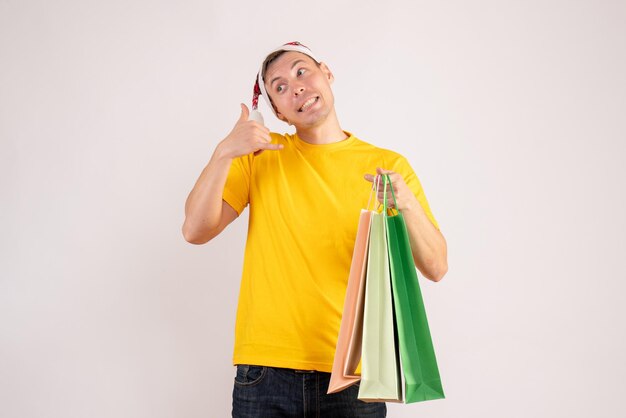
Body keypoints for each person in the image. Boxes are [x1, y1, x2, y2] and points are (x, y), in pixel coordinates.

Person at [182, 41, 448, 418]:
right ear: (278, 112)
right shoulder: (260, 156)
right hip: (265, 370)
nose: (296, 87)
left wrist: (405, 204)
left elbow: (436, 267)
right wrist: (224, 152)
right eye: (279, 86)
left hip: (354, 373)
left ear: (326, 72)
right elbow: (195, 230)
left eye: (301, 71)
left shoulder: (388, 165)